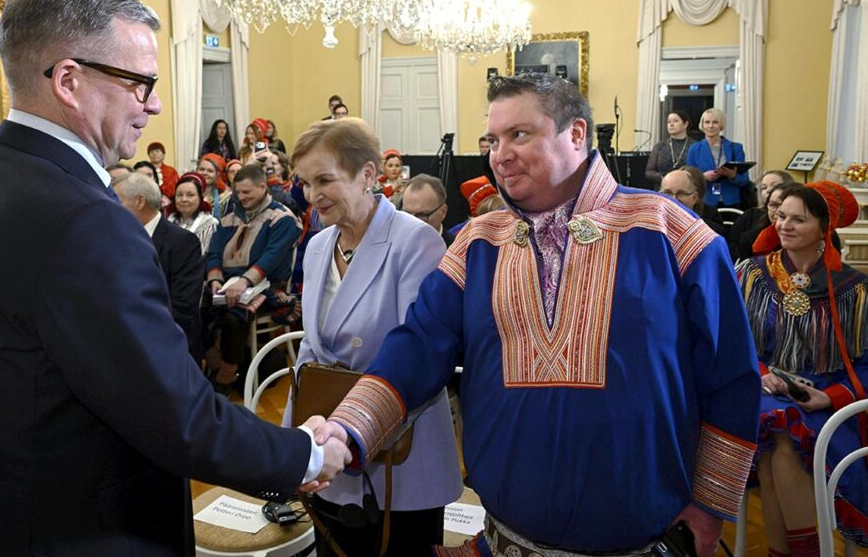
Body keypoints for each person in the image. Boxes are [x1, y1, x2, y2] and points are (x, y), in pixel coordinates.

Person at [0, 0, 347, 556]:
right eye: (140, 83)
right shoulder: (81, 218)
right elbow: (177, 418)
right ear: (69, 80)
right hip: (79, 532)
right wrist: (306, 452)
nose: (154, 104)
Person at [308, 73, 761, 556]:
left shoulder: (671, 231)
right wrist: (346, 429)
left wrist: (711, 504)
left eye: (519, 135)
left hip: (644, 541)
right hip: (506, 539)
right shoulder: (477, 242)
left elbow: (730, 374)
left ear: (577, 134)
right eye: (492, 139)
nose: (499, 154)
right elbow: (417, 348)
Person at [287, 118, 461, 556]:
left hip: (401, 451)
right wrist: (297, 441)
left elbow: (417, 355)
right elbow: (312, 349)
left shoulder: (415, 241)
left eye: (325, 179)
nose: (312, 195)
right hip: (329, 441)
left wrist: (351, 429)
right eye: (305, 183)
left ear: (368, 174)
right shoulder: (317, 246)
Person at [736, 182, 868, 553]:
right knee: (778, 425)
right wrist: (762, 372)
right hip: (762, 390)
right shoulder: (750, 275)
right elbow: (730, 343)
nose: (784, 225)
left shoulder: (855, 290)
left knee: (782, 441)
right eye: (780, 216)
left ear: (825, 229)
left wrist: (829, 397)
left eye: (798, 219)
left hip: (828, 407)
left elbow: (867, 364)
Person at [205, 163, 302, 393]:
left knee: (233, 319)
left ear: (262, 187)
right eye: (238, 192)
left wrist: (244, 282)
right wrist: (215, 279)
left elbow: (272, 257)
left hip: (266, 286)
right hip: (227, 283)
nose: (241, 197)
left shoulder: (282, 218)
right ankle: (216, 363)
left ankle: (226, 377)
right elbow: (215, 251)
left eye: (247, 192)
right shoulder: (230, 216)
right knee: (193, 309)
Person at [113, 172, 205, 364]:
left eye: (117, 201)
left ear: (139, 202)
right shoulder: (119, 238)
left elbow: (184, 306)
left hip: (171, 345)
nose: (111, 207)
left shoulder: (182, 242)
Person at [686, 107, 750, 207]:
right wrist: (703, 177)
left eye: (715, 122)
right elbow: (688, 178)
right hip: (706, 202)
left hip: (732, 202)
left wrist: (732, 176)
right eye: (707, 122)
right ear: (702, 125)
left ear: (721, 125)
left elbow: (744, 180)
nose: (710, 126)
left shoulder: (736, 148)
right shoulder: (694, 149)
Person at [729, 180, 802, 261]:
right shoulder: (751, 238)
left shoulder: (804, 239)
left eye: (786, 206)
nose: (779, 212)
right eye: (773, 205)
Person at [660, 166, 727, 236]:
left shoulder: (710, 221)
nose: (674, 199)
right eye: (667, 193)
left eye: (681, 193)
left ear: (695, 196)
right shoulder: (657, 218)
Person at [645, 109, 697, 190]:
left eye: (675, 121)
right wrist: (664, 178)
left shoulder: (695, 146)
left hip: (687, 189)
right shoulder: (660, 146)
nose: (671, 124)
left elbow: (698, 172)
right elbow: (649, 171)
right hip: (664, 190)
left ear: (685, 124)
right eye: (669, 122)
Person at [168, 172, 218, 255]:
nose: (184, 199)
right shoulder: (169, 220)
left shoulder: (210, 224)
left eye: (190, 195)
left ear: (200, 197)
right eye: (179, 195)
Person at [401, 174, 453, 247]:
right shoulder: (392, 247)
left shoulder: (459, 252)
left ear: (443, 212)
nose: (411, 224)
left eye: (421, 216)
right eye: (406, 214)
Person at [198, 152, 232, 220]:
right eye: (202, 169)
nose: (205, 173)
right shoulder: (190, 192)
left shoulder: (226, 197)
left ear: (218, 174)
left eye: (210, 171)